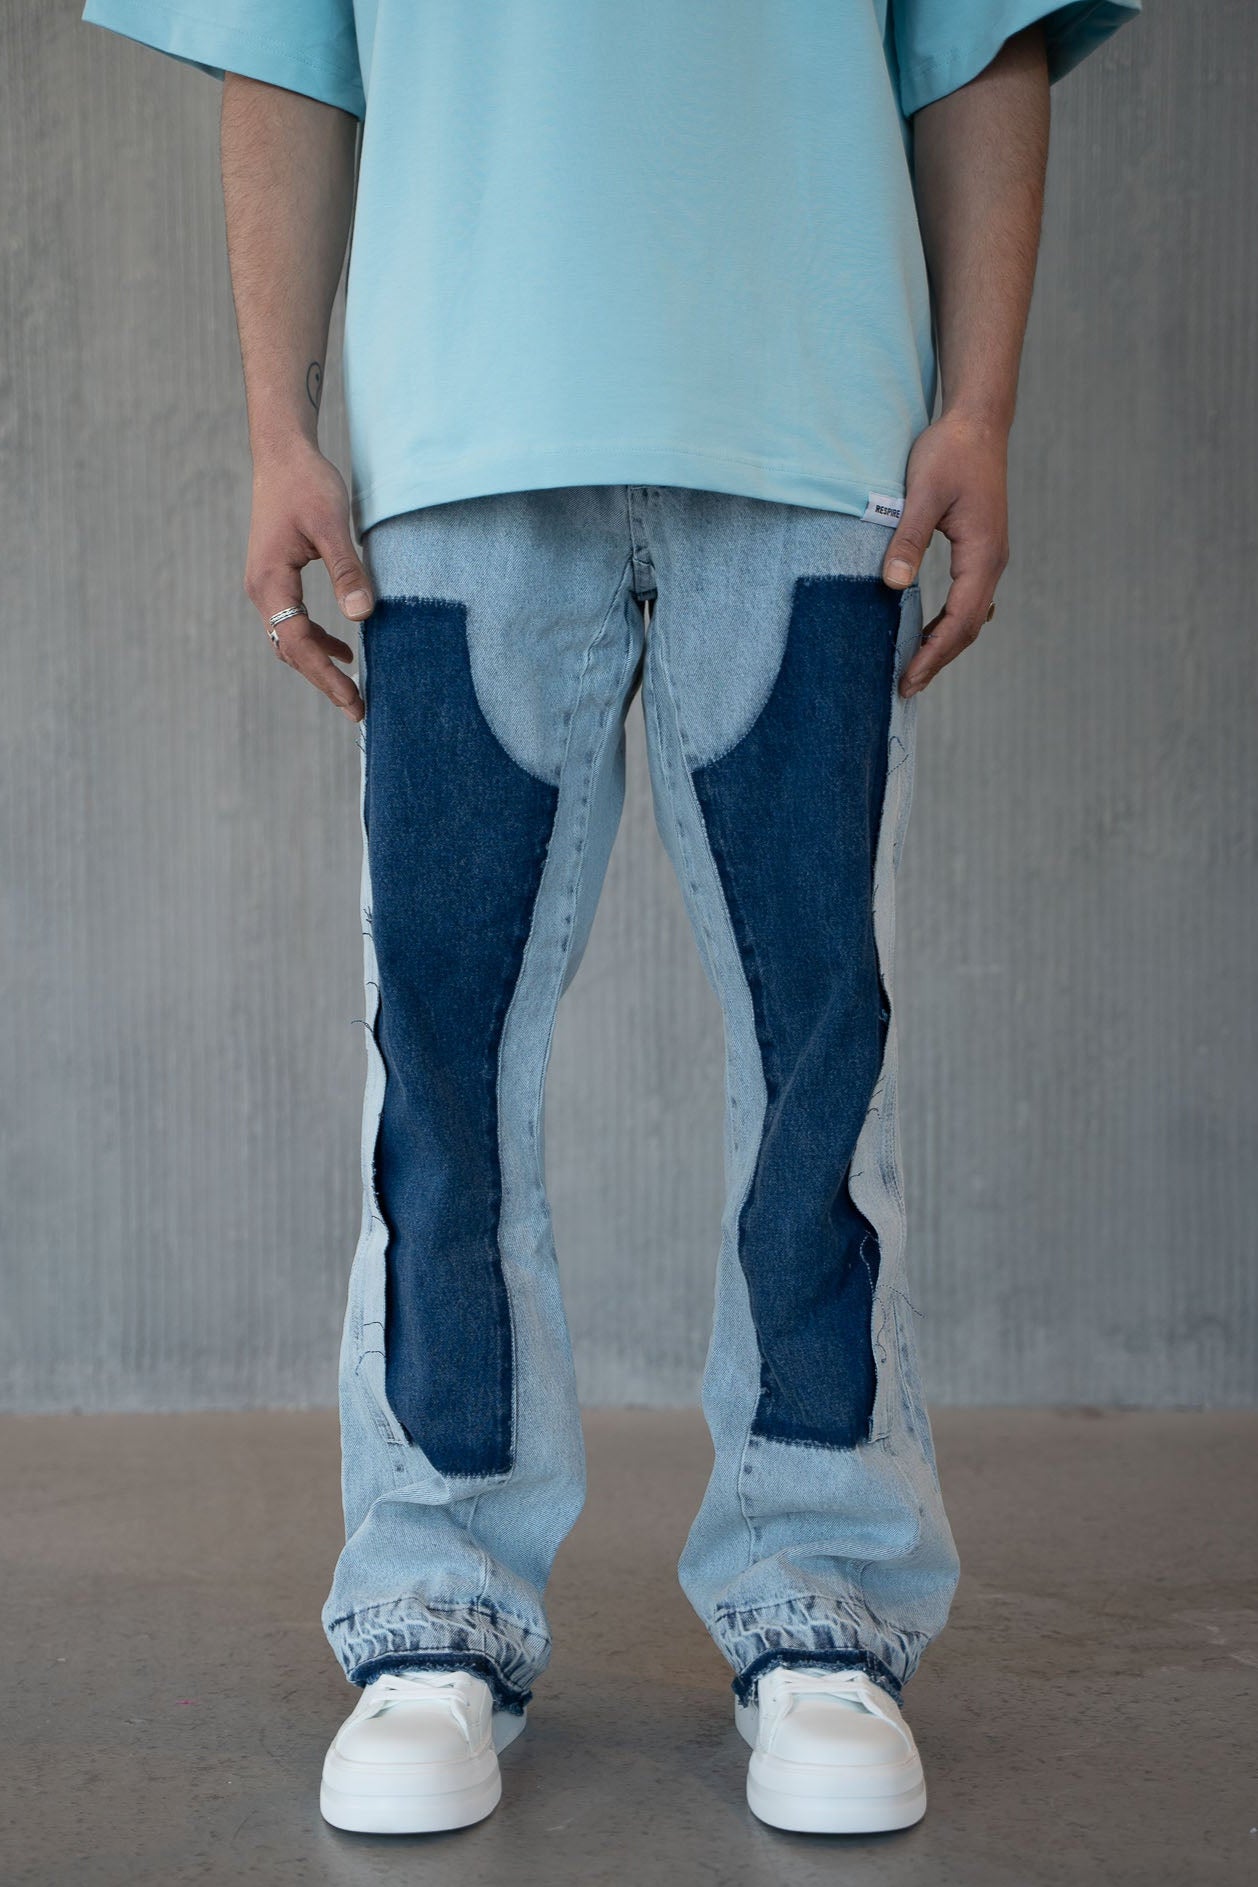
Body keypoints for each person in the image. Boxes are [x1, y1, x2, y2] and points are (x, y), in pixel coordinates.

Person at [83, 0, 1139, 1840]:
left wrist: (978, 404)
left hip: (816, 437)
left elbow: (978, 34)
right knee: (439, 1063)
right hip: (455, 446)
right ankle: (433, 1604)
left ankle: (821, 1604)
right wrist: (274, 424)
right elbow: (286, 42)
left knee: (821, 1059)